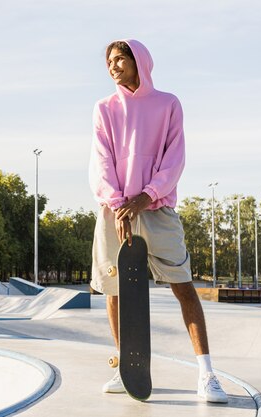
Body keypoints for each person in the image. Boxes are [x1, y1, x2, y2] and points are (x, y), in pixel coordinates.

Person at [89, 39, 228, 403]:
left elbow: (175, 159)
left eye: (120, 58)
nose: (113, 66)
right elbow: (100, 161)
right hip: (115, 211)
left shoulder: (168, 104)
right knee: (114, 291)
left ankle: (207, 374)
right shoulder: (104, 108)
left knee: (183, 286)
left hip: (156, 208)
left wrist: (144, 197)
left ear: (140, 62)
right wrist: (120, 204)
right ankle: (124, 367)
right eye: (109, 61)